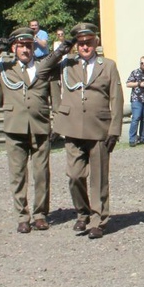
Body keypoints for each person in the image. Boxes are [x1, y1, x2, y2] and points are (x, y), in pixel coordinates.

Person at [38, 23, 123, 239]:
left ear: (96, 42)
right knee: (74, 176)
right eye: (81, 43)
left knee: (99, 177)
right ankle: (82, 212)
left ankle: (98, 220)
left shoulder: (108, 65)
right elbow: (42, 71)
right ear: (76, 45)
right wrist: (61, 49)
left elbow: (116, 97)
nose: (85, 46)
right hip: (73, 127)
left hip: (99, 127)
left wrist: (114, 129)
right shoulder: (67, 64)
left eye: (89, 42)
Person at [0, 28, 52, 233]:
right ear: (14, 48)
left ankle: (40, 214)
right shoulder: (4, 68)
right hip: (15, 127)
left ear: (34, 47)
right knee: (17, 175)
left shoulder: (43, 67)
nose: (25, 50)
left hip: (39, 126)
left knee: (41, 173)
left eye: (28, 45)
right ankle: (22, 216)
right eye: (21, 46)